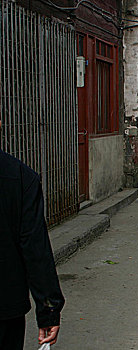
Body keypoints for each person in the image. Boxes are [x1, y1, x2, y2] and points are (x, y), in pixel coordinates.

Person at [0, 120, 65, 349]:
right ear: (0, 125)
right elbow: (35, 249)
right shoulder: (20, 177)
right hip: (6, 307)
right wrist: (49, 310)